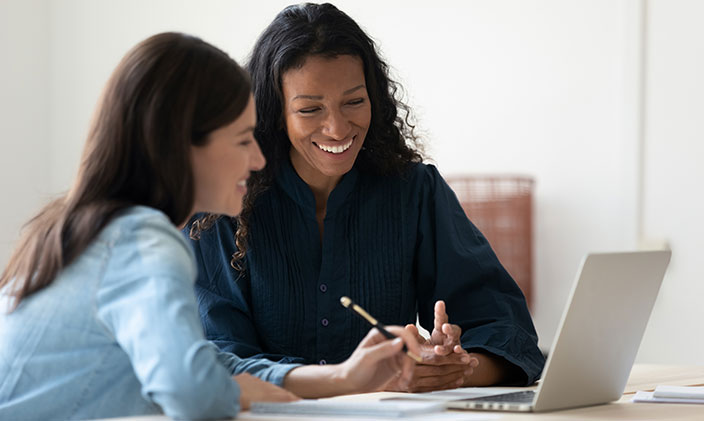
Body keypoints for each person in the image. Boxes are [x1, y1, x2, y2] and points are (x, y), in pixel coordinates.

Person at [0, 32, 420, 421]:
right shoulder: (142, 239)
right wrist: (241, 392)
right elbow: (193, 391)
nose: (258, 159)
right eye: (242, 139)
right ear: (181, 147)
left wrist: (343, 378)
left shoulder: (88, 229)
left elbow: (198, 362)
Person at [186, 2, 546, 393]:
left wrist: (449, 368)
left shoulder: (414, 191)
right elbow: (218, 361)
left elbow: (511, 334)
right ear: (275, 113)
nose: (338, 128)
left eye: (354, 102)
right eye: (310, 109)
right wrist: (352, 380)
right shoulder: (223, 205)